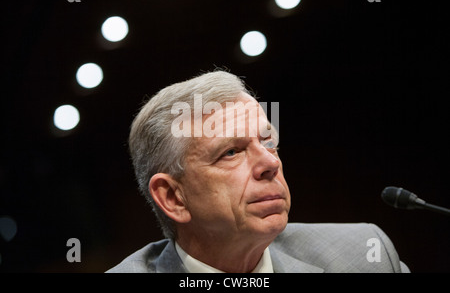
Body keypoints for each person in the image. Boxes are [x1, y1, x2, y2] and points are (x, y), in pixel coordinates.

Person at [107, 70, 409, 273]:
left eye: (269, 142)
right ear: (174, 197)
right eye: (231, 152)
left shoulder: (365, 256)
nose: (270, 163)